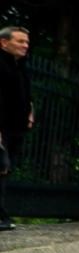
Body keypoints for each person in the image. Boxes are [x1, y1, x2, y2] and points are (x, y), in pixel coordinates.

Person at [0, 26, 32, 232]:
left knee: (5, 170)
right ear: (4, 42)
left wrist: (30, 110)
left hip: (16, 126)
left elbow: (25, 93)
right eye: (20, 41)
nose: (25, 46)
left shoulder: (19, 65)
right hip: (3, 127)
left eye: (26, 42)